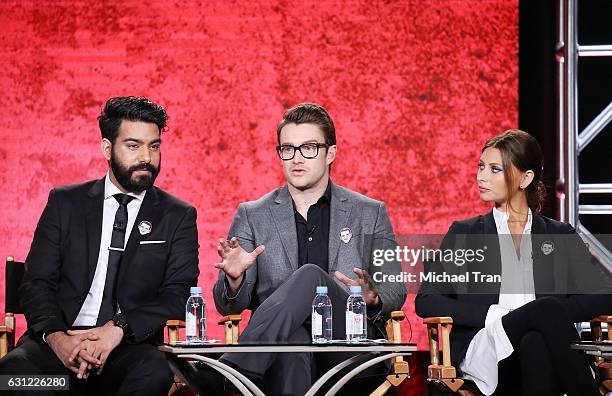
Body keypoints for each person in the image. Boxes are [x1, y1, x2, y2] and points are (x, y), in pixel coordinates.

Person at [0, 96, 200, 395]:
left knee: (155, 372)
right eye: (133, 146)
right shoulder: (65, 203)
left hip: (125, 351)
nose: (146, 156)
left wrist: (117, 328)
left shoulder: (177, 215)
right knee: (13, 376)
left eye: (154, 146)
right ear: (107, 148)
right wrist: (59, 339)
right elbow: (36, 283)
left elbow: (178, 294)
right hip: (57, 350)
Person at [210, 103, 407, 395]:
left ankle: (230, 372)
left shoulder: (370, 212)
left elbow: (396, 290)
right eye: (287, 149)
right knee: (292, 344)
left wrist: (373, 297)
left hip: (349, 343)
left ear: (330, 153)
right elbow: (229, 306)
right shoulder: (253, 214)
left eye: (309, 148)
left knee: (311, 277)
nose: (296, 158)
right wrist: (235, 280)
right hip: (283, 347)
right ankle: (238, 369)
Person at [415, 129, 612, 396]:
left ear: (525, 178)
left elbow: (603, 294)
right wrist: (492, 315)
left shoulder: (558, 234)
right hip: (489, 345)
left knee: (536, 339)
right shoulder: (466, 233)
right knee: (543, 315)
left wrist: (545, 314)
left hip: (543, 347)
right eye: (481, 166)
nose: (481, 177)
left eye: (494, 169)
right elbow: (426, 300)